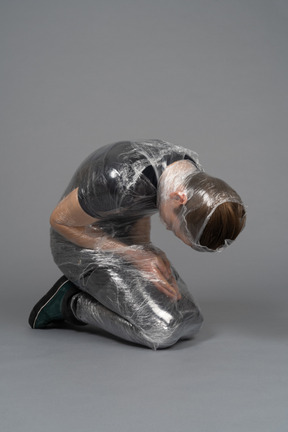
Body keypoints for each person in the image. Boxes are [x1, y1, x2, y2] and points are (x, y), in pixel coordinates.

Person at [29, 140, 246, 350]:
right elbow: (59, 221)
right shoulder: (115, 180)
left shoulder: (186, 174)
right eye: (172, 227)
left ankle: (99, 288)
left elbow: (141, 205)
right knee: (162, 332)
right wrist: (134, 255)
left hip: (126, 241)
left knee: (191, 321)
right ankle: (71, 301)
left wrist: (146, 250)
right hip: (79, 245)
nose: (168, 228)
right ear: (180, 198)